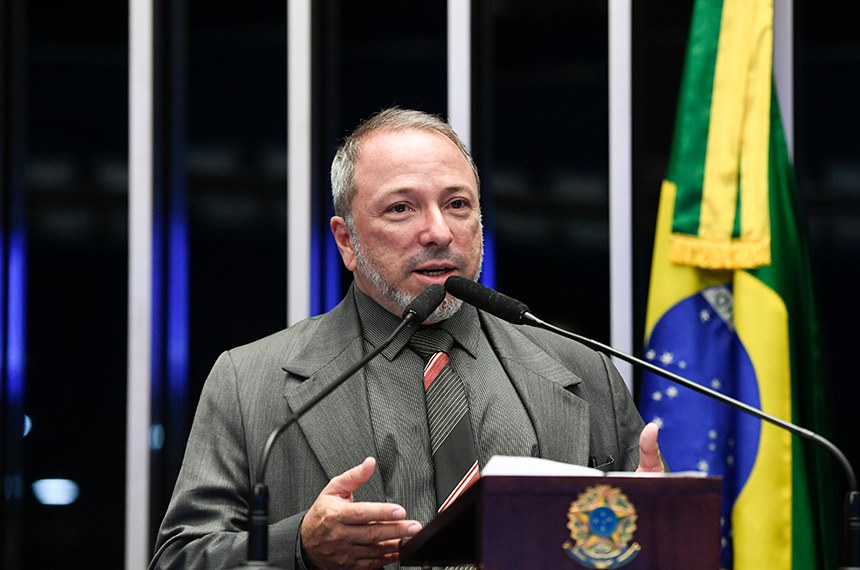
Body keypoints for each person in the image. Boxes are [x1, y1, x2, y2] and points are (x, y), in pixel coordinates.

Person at [149, 108, 662, 569]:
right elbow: (180, 557)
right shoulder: (249, 380)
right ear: (346, 240)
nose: (439, 231)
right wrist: (300, 547)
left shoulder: (583, 369)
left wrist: (656, 529)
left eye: (457, 204)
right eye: (401, 208)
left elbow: (642, 548)